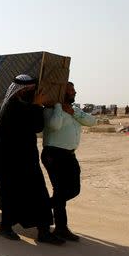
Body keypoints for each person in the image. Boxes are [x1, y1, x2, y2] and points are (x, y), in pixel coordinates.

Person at [0, 74, 63, 244]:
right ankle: (5, 227)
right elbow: (33, 125)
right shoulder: (11, 107)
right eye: (28, 89)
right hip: (8, 160)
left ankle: (44, 231)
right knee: (11, 194)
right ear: (19, 90)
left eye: (32, 89)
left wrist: (36, 106)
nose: (31, 92)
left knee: (39, 193)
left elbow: (36, 126)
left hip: (27, 159)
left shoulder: (25, 106)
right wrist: (37, 105)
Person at [41, 82, 95, 241]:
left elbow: (92, 122)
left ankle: (42, 209)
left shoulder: (74, 110)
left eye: (73, 90)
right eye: (70, 90)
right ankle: (61, 227)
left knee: (73, 190)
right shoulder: (49, 110)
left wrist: (72, 112)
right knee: (60, 191)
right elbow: (54, 126)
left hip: (69, 155)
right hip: (54, 154)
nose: (74, 92)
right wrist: (58, 106)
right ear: (60, 93)